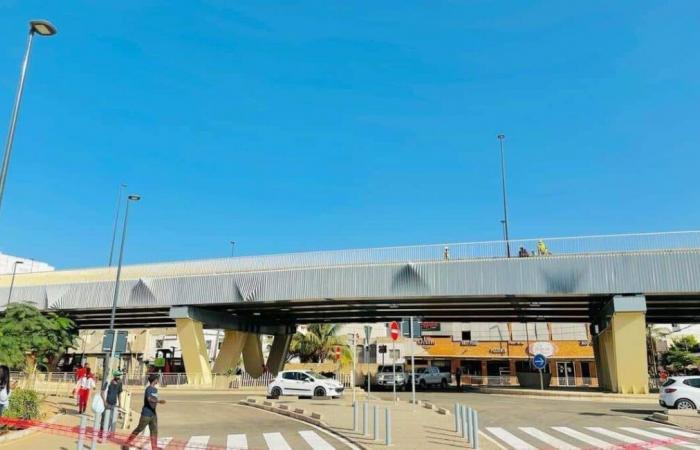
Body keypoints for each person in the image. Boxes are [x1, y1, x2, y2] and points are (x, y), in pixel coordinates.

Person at [122, 374, 166, 450]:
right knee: (139, 429)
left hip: (153, 414)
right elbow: (149, 399)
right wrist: (158, 401)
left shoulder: (155, 390)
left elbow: (154, 400)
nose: (158, 380)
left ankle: (154, 447)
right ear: (154, 380)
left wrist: (157, 402)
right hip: (146, 414)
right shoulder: (148, 389)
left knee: (154, 431)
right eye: (157, 379)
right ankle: (126, 444)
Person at [100, 370, 123, 441]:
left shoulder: (120, 383)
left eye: (119, 375)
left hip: (113, 404)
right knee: (104, 418)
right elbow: (102, 392)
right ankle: (101, 432)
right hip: (107, 403)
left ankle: (105, 433)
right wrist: (104, 402)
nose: (119, 377)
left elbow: (119, 393)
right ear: (114, 375)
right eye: (117, 375)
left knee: (110, 419)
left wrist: (120, 403)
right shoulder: (108, 382)